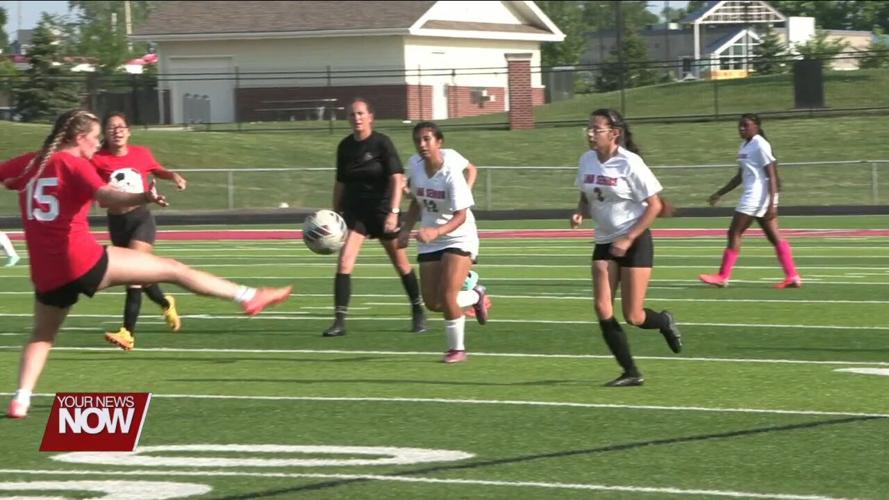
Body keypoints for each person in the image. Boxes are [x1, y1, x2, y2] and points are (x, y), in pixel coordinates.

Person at [2, 109, 292, 419]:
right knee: (173, 269)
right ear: (78, 137)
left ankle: (21, 399)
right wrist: (144, 197)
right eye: (96, 137)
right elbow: (108, 197)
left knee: (42, 335)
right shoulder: (73, 163)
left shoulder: (32, 162)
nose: (98, 143)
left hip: (46, 272)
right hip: (81, 260)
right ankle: (248, 296)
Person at [570, 108, 682, 387]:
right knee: (602, 307)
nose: (590, 133)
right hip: (604, 240)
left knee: (634, 315)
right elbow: (586, 195)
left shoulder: (630, 163)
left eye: (597, 129)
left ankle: (664, 321)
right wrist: (580, 212)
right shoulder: (586, 160)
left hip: (634, 240)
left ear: (614, 133)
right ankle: (630, 371)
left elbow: (655, 205)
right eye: (589, 128)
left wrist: (629, 238)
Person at [323, 98, 426, 337]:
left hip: (382, 211)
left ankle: (418, 311)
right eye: (351, 115)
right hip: (355, 213)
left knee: (401, 264)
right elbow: (340, 182)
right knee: (344, 263)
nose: (356, 118)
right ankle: (339, 321)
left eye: (360, 113)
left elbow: (397, 178)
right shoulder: (345, 146)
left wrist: (393, 212)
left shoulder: (382, 143)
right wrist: (334, 212)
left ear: (370, 116)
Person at [91, 112, 188, 350]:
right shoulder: (97, 159)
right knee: (142, 277)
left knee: (133, 278)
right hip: (117, 224)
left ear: (129, 131)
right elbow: (95, 190)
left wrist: (173, 175)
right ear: (105, 133)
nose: (117, 130)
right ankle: (165, 302)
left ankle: (128, 333)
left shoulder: (141, 153)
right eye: (112, 127)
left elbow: (157, 170)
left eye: (121, 126)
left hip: (140, 220)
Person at [398, 121, 490, 363]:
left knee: (448, 295)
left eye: (427, 139)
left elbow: (461, 215)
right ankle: (475, 296)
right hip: (431, 238)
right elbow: (417, 202)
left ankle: (457, 349)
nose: (422, 144)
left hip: (459, 235)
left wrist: (436, 232)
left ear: (439, 142)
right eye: (418, 140)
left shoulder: (450, 172)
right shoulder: (415, 167)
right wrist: (405, 230)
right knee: (434, 302)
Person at [699, 113, 801, 289]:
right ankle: (792, 276)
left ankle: (723, 276)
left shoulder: (760, 144)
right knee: (774, 236)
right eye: (740, 125)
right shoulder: (745, 146)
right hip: (757, 196)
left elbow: (772, 175)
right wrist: (720, 193)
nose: (741, 128)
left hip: (757, 196)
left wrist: (772, 204)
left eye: (745, 125)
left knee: (734, 232)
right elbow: (740, 176)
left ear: (756, 126)